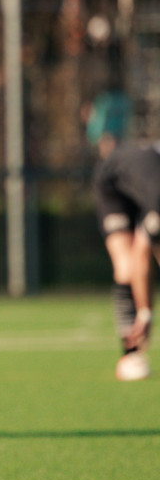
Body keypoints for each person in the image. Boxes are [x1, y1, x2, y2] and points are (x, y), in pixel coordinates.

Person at [89, 110, 159, 381]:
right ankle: (130, 352)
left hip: (143, 184)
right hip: (113, 185)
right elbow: (143, 255)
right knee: (127, 264)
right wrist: (146, 314)